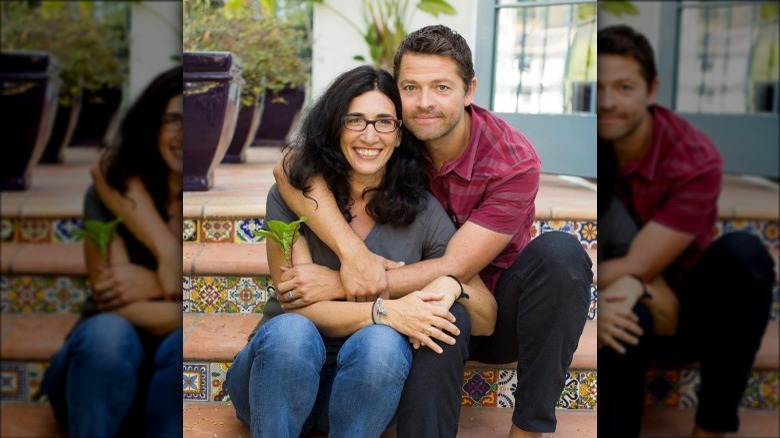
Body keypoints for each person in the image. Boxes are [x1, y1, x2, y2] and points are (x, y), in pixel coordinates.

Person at [273, 25, 593, 437]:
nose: (425, 103)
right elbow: (291, 166)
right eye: (410, 87)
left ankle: (529, 428)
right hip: (417, 307)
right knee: (439, 308)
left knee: (562, 255)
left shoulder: (512, 161)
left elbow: (456, 265)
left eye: (442, 87)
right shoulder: (395, 133)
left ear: (469, 90)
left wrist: (339, 281)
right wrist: (353, 254)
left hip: (501, 312)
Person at [225, 65, 497, 438]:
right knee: (291, 332)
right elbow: (298, 302)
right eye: (355, 120)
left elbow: (486, 316)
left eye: (384, 122)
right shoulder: (299, 195)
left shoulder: (422, 210)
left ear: (400, 135)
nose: (370, 135)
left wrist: (452, 285)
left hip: (367, 395)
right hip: (274, 385)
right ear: (336, 126)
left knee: (382, 344)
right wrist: (386, 311)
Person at [596, 25, 774, 438]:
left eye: (624, 87)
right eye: (599, 88)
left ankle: (710, 428)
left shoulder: (692, 156)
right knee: (621, 305)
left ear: (651, 90)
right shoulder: (596, 144)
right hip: (625, 304)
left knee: (746, 256)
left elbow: (640, 263)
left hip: (691, 311)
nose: (607, 102)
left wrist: (636, 281)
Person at [40, 66, 184, 437]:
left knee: (180, 345)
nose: (185, 133)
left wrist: (154, 284)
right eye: (172, 119)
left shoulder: (200, 210)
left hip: (169, 394)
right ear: (152, 123)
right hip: (94, 383)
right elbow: (114, 299)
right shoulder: (115, 191)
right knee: (107, 332)